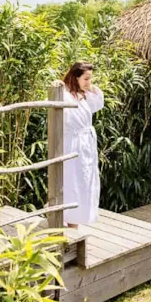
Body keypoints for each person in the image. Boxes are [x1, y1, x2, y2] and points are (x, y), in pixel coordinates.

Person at [61, 61, 104, 228]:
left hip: (85, 143)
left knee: (86, 181)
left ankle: (78, 220)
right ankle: (71, 221)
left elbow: (97, 104)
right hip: (73, 143)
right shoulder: (64, 94)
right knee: (74, 181)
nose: (89, 83)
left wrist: (89, 88)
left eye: (90, 79)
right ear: (75, 77)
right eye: (86, 79)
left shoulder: (81, 94)